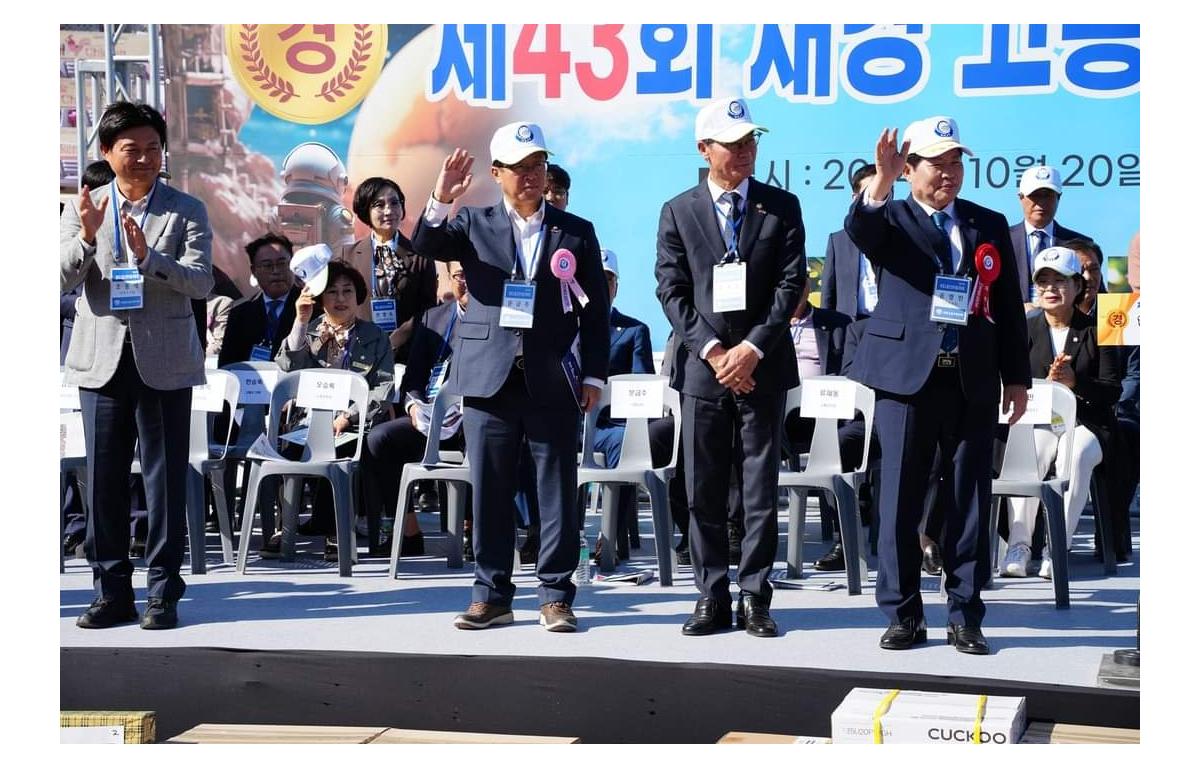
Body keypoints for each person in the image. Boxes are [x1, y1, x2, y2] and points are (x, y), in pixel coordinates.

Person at [412, 122, 609, 633]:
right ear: (496, 173)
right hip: (487, 377)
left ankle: (555, 596)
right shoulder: (473, 223)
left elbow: (595, 313)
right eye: (520, 168)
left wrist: (594, 376)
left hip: (552, 378)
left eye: (538, 165)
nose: (531, 176)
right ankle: (491, 594)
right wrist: (440, 197)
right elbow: (425, 241)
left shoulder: (575, 231)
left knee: (556, 493)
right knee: (491, 492)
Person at [845, 116, 1030, 654]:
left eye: (956, 162)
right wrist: (880, 181)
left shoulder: (987, 223)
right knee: (899, 501)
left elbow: (1008, 309)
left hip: (971, 379)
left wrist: (1016, 376)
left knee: (969, 501)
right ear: (910, 169)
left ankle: (966, 613)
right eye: (936, 163)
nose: (949, 173)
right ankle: (903, 613)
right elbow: (862, 229)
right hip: (906, 380)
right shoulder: (893, 216)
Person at [655, 98, 805, 638]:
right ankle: (710, 595)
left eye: (750, 141)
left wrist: (752, 349)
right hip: (703, 370)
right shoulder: (679, 209)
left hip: (762, 368)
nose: (745, 151)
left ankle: (756, 596)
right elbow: (670, 289)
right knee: (704, 489)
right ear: (704, 149)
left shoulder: (780, 206)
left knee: (760, 488)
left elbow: (791, 285)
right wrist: (717, 352)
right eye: (732, 143)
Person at [61, 101, 214, 630]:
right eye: (132, 150)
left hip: (165, 361)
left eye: (153, 148)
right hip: (101, 361)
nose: (145, 159)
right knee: (101, 481)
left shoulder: (186, 208)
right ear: (107, 152)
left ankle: (162, 593)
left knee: (164, 480)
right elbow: (58, 280)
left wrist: (151, 261)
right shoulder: (83, 207)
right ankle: (110, 593)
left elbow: (201, 282)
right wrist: (85, 237)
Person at [1001, 247, 1122, 578]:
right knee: (1030, 451)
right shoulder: (1023, 329)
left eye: (1059, 281)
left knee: (1075, 452)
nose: (1050, 289)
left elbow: (1113, 390)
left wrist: (1074, 382)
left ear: (1077, 286)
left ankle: (1057, 547)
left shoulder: (1101, 327)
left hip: (1088, 423)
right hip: (1037, 421)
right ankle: (1020, 545)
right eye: (1043, 282)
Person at [273, 249, 395, 561]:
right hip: (307, 424)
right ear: (319, 298)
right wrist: (300, 323)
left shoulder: (375, 336)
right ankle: (283, 527)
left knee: (341, 451)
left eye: (347, 291)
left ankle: (336, 530)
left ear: (359, 296)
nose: (340, 299)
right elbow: (288, 369)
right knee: (280, 450)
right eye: (332, 292)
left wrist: (347, 418)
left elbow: (382, 390)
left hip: (354, 426)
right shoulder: (310, 330)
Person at [361, 260, 471, 558]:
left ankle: (472, 530)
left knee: (484, 436)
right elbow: (413, 378)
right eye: (460, 275)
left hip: (473, 415)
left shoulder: (498, 317)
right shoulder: (432, 319)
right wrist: (412, 405)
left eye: (474, 273)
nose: (467, 282)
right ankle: (409, 533)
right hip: (430, 416)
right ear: (449, 279)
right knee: (378, 440)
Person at [590, 249, 659, 561]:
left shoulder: (634, 331)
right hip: (569, 424)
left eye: (607, 279)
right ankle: (536, 534)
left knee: (627, 442)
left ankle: (610, 536)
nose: (601, 285)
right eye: (595, 278)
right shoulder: (564, 327)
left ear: (616, 286)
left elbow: (642, 389)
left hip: (610, 426)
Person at [342, 176, 437, 363]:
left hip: (406, 355)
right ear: (365, 211)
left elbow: (427, 310)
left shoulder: (420, 256)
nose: (389, 211)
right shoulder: (348, 256)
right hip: (359, 353)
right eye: (379, 204)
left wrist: (395, 340)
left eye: (394, 203)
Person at [1008, 166, 1091, 306]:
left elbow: (1092, 296)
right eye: (1034, 195)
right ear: (1021, 197)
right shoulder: (1001, 239)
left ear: (1059, 198)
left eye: (1048, 195)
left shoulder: (1081, 245)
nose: (1041, 202)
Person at [218, 232, 301, 367]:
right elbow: (227, 363)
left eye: (281, 263)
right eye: (267, 265)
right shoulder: (240, 312)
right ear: (254, 271)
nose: (276, 271)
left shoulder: (311, 307)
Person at [820, 165, 879, 319]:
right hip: (849, 325)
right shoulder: (838, 241)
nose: (877, 198)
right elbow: (828, 292)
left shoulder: (902, 236)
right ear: (855, 198)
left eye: (885, 191)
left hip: (888, 328)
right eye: (870, 193)